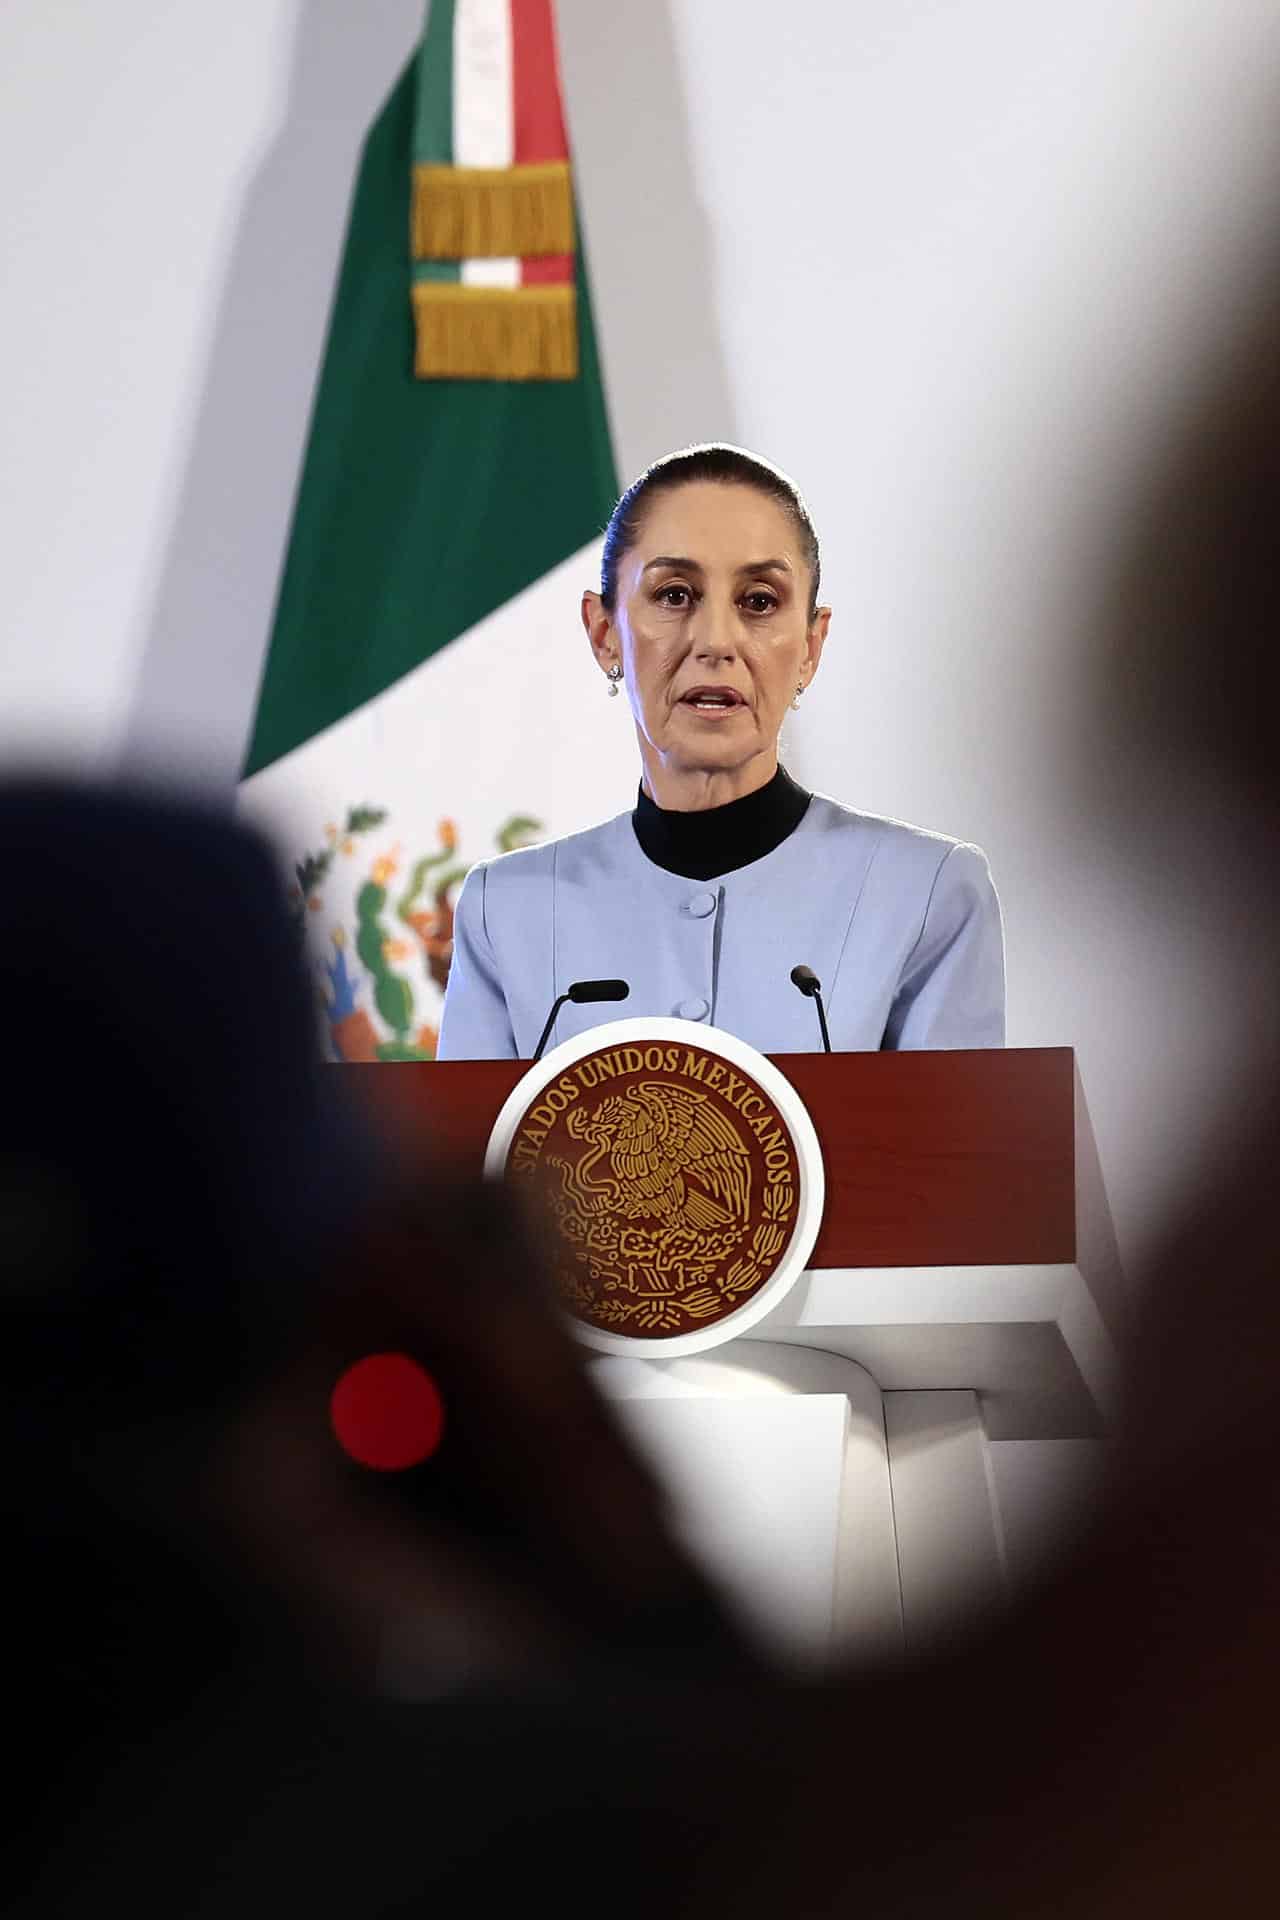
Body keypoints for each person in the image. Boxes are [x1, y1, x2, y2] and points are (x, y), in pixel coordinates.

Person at [437, 444, 1005, 1060]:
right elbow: (464, 1154)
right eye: (675, 595)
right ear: (605, 635)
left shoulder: (926, 894)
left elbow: (959, 1152)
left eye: (759, 601)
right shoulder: (509, 910)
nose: (715, 642)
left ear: (811, 647)